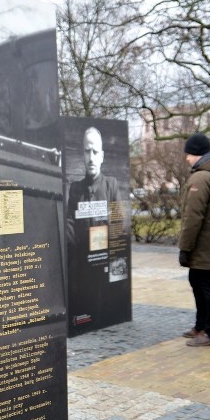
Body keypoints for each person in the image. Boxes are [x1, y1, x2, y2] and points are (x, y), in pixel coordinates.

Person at [178, 132, 210, 346]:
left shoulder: (201, 177)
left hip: (202, 244)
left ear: (196, 153)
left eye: (188, 154)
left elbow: (193, 217)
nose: (187, 158)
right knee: (200, 282)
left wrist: (185, 247)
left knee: (206, 285)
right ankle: (201, 326)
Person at [65, 126, 119, 324]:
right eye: (87, 151)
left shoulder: (111, 186)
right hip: (81, 264)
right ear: (82, 154)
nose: (91, 157)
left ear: (102, 156)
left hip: (103, 262)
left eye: (95, 152)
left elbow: (117, 223)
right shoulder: (76, 188)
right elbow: (69, 223)